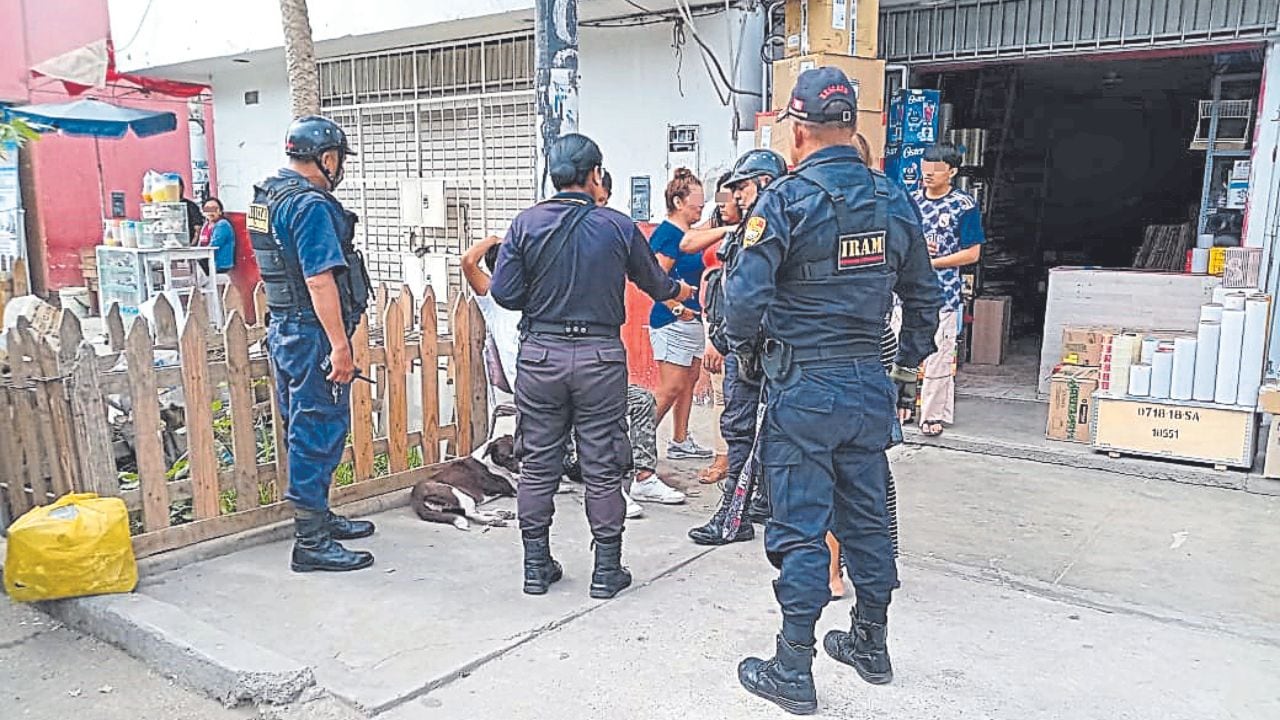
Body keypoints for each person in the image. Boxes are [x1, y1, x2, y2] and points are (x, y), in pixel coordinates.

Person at [725, 67, 941, 714]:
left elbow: (742, 305)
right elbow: (924, 298)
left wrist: (748, 356)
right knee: (868, 520)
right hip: (867, 385)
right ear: (853, 126)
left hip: (804, 388)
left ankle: (794, 665)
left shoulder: (786, 201)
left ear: (798, 129)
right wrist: (904, 373)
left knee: (800, 526)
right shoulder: (892, 198)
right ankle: (870, 643)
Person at [489, 134, 692, 598]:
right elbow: (656, 283)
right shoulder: (618, 226)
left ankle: (536, 567)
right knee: (603, 463)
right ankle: (606, 571)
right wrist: (682, 295)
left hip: (540, 356)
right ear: (595, 174)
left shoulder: (525, 224)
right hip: (600, 358)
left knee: (538, 463)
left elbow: (504, 294)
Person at [247, 115, 373, 573]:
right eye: (338, 159)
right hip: (311, 330)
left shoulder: (268, 196)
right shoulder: (311, 206)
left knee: (303, 424)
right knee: (316, 428)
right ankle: (311, 542)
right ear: (327, 158)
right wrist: (340, 346)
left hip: (285, 325)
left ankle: (319, 517)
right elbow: (320, 280)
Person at [686, 149, 787, 547]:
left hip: (761, 351)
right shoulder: (749, 229)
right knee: (742, 430)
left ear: (764, 183)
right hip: (747, 350)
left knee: (749, 430)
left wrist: (740, 346)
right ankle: (751, 503)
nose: (736, 197)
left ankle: (735, 514)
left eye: (742, 188)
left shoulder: (768, 228)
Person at [913, 142, 986, 437]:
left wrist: (935, 262)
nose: (928, 174)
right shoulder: (910, 201)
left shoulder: (964, 206)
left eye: (936, 169)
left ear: (952, 172)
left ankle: (932, 415)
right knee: (901, 355)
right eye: (925, 167)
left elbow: (972, 253)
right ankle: (900, 407)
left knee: (938, 357)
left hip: (943, 294)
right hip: (906, 294)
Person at [647, 169, 714, 475]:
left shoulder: (688, 233)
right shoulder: (667, 235)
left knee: (688, 381)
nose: (700, 209)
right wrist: (676, 308)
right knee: (671, 387)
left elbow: (715, 222)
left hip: (691, 320)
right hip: (671, 321)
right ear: (677, 201)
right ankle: (636, 443)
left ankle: (680, 439)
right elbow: (655, 281)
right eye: (695, 204)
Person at [198, 197, 237, 273]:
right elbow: (200, 243)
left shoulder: (222, 225)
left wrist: (198, 256)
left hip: (219, 264)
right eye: (207, 209)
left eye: (214, 209)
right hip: (207, 261)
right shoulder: (206, 225)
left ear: (220, 211)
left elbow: (214, 246)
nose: (210, 212)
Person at [180, 178, 205, 245]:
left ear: (182, 187)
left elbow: (198, 229)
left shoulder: (191, 206)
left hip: (187, 244)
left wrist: (192, 246)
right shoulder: (163, 206)